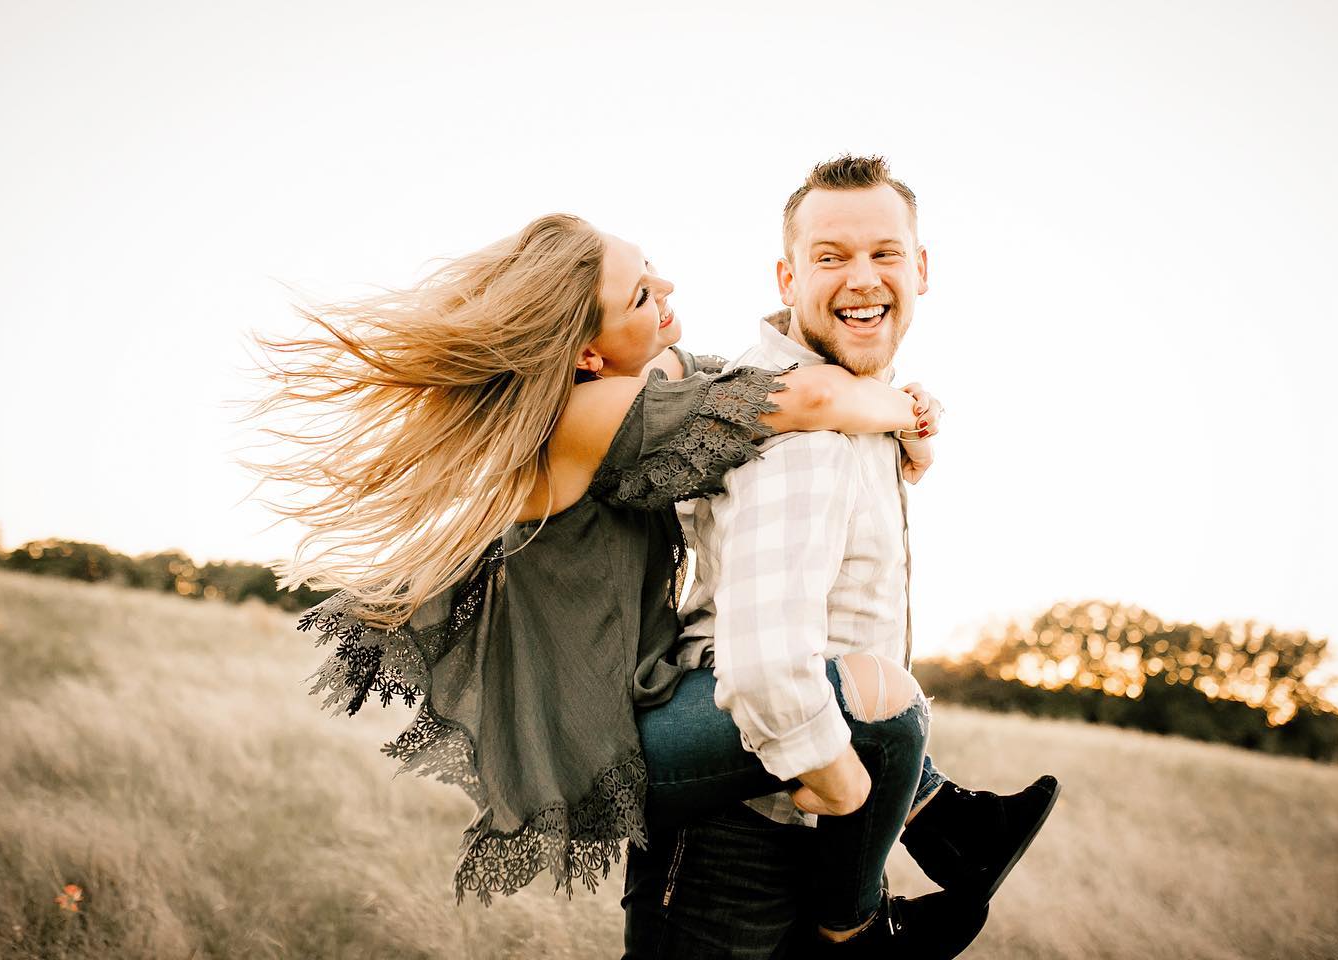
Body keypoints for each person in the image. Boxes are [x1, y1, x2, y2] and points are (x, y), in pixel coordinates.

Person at [251, 212, 962, 933]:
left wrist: (906, 422)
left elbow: (738, 380)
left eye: (651, 270)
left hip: (655, 699)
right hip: (624, 733)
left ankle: (947, 831)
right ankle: (861, 924)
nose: (667, 288)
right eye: (642, 297)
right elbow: (802, 398)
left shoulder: (632, 386)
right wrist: (909, 410)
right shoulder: (586, 410)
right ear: (588, 352)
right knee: (883, 707)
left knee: (863, 709)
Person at [622, 156, 1060, 957]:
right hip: (744, 837)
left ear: (921, 268)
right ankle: (897, 881)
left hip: (809, 811)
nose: (863, 278)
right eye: (831, 257)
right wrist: (850, 791)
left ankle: (935, 837)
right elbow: (762, 669)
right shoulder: (802, 428)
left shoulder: (855, 410)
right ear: (788, 277)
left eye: (885, 253)